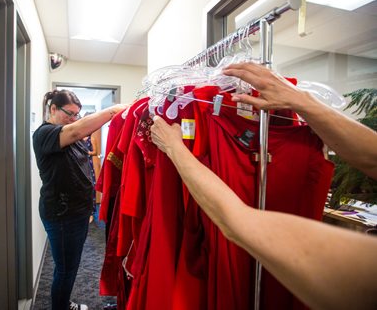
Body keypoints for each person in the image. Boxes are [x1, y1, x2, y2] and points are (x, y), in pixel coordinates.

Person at [150, 62, 377, 310]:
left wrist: (174, 148)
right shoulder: (199, 108)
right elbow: (371, 158)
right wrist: (302, 101)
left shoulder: (364, 272)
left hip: (252, 248)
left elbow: (237, 222)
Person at [33, 89, 127, 310]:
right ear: (53, 109)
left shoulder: (67, 133)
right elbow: (75, 131)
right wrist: (113, 110)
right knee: (66, 269)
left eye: (77, 114)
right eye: (70, 113)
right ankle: (61, 306)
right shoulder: (45, 134)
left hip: (76, 213)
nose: (74, 119)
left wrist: (86, 212)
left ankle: (63, 303)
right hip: (62, 214)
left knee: (69, 266)